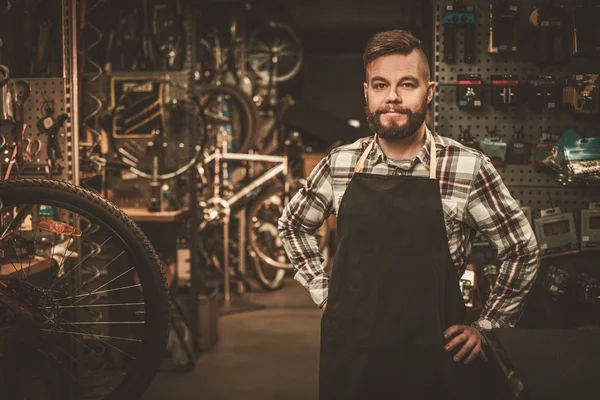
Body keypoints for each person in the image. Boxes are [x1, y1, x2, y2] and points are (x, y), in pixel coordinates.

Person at [278, 29, 540, 399]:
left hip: (435, 356)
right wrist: (324, 293)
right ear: (366, 92)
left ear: (429, 91)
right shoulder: (340, 164)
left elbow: (522, 249)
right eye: (380, 85)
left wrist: (488, 324)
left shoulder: (466, 167)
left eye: (407, 84)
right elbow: (292, 224)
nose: (393, 98)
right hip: (354, 356)